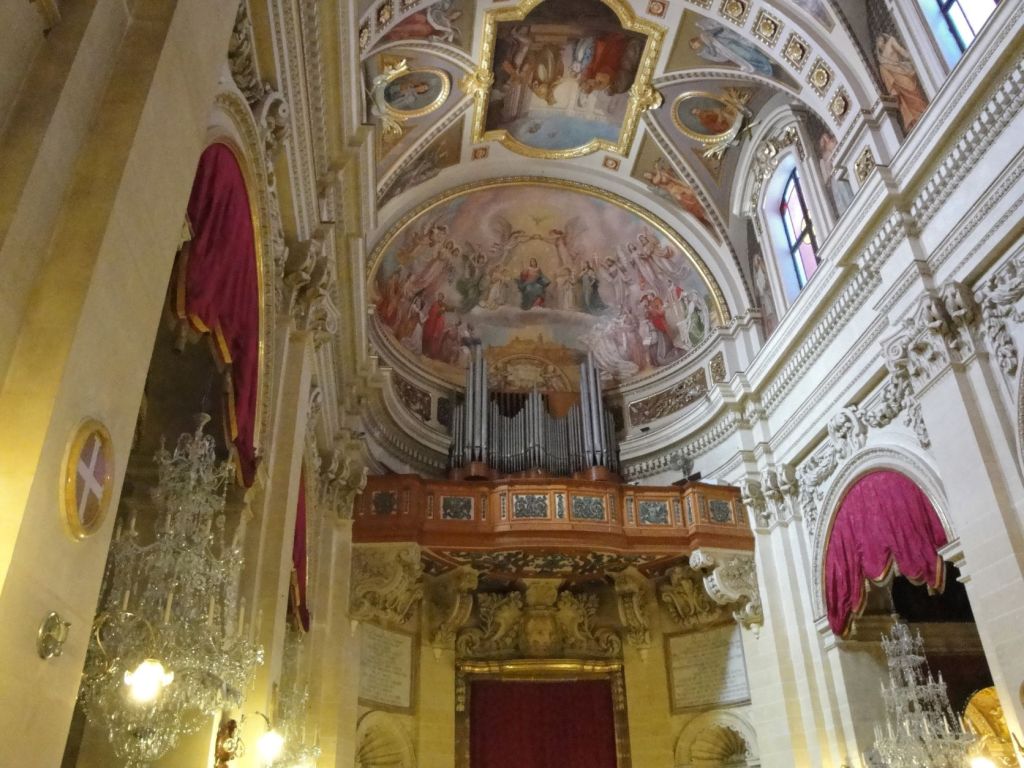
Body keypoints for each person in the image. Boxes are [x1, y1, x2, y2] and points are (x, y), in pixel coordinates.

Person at [874, 33, 929, 132]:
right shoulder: (881, 60)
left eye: (880, 40)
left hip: (902, 71)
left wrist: (912, 57)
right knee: (906, 99)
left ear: (883, 39)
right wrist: (893, 90)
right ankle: (915, 119)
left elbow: (901, 51)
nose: (879, 43)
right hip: (896, 81)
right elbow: (886, 75)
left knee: (913, 89)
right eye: (877, 42)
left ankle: (924, 109)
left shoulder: (891, 41)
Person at [690, 19, 773, 77]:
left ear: (695, 41)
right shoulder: (705, 44)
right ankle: (765, 64)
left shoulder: (704, 35)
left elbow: (718, 30)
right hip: (728, 50)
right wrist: (706, 51)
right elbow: (714, 54)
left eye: (695, 45)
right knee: (746, 58)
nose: (697, 47)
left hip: (728, 45)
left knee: (748, 55)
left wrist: (710, 42)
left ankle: (765, 63)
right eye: (695, 47)